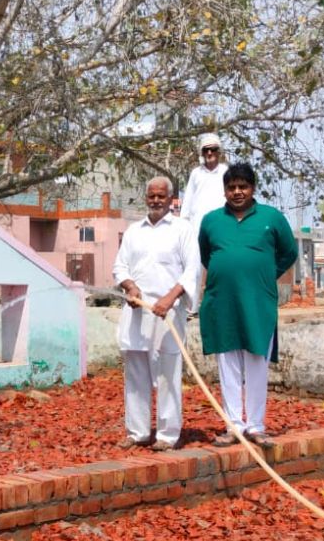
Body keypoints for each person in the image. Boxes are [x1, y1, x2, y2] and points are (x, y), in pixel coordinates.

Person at [197, 163, 298, 447]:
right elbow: (207, 256)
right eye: (232, 187)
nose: (237, 192)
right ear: (225, 190)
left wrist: (264, 275)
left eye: (243, 186)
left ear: (253, 188)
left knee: (256, 363)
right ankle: (233, 426)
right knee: (227, 365)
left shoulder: (272, 218)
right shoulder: (211, 221)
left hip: (258, 303)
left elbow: (289, 252)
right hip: (223, 303)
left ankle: (255, 426)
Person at [113, 176, 200, 451]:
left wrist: (170, 298)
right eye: (151, 195)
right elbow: (120, 267)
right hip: (137, 312)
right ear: (145, 197)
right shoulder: (133, 231)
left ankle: (167, 434)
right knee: (136, 371)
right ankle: (137, 431)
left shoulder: (182, 229)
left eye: (161, 196)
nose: (155, 200)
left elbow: (191, 271)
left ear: (171, 199)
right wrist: (130, 286)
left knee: (167, 372)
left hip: (168, 314)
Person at [179, 133, 228, 225]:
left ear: (218, 152)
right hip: (198, 224)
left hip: (222, 223)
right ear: (202, 153)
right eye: (206, 150)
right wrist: (183, 222)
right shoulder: (196, 173)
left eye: (213, 149)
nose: (209, 153)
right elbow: (188, 200)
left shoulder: (226, 172)